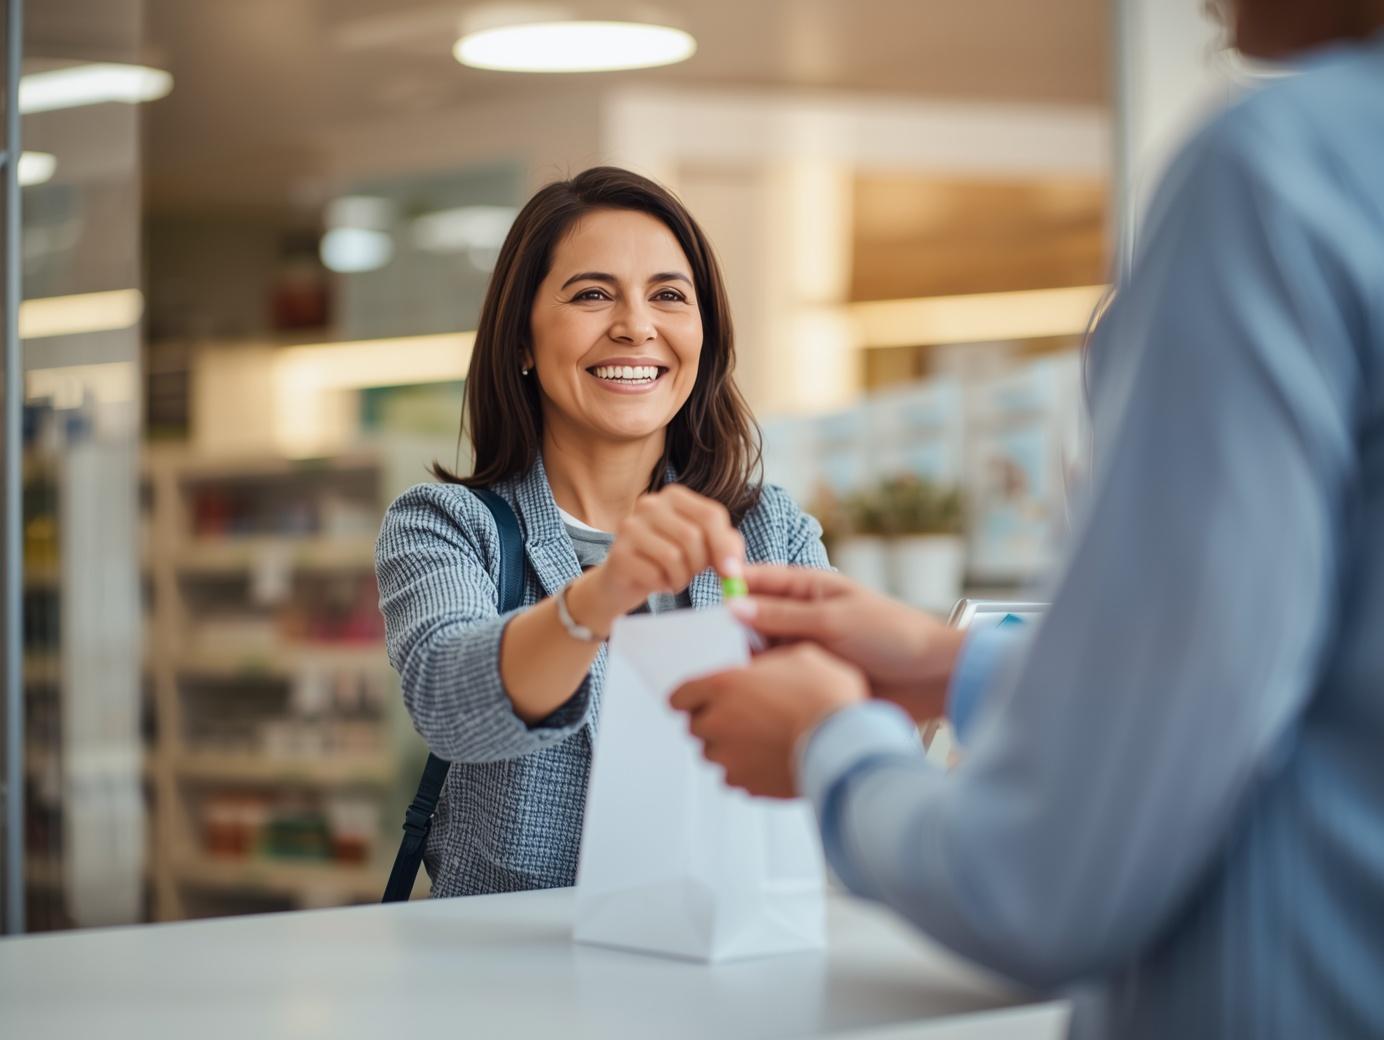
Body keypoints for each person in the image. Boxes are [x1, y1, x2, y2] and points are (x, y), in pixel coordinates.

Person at [671, 5, 1384, 1036]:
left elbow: (1046, 876)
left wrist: (831, 747)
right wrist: (951, 665)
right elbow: (1312, 704)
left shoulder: (1280, 173)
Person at [375, 166, 828, 898]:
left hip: (721, 945)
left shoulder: (769, 529)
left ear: (704, 336)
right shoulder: (448, 525)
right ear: (522, 340)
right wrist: (601, 596)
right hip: (510, 964)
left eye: (669, 296)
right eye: (592, 294)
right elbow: (449, 703)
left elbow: (830, 723)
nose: (636, 326)